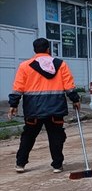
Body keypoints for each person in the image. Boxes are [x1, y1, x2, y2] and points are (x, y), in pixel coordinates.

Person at [8, 38, 81, 173]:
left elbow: (18, 87)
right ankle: (57, 165)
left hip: (33, 109)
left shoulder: (25, 66)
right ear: (48, 49)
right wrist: (75, 100)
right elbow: (69, 86)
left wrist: (14, 104)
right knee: (56, 136)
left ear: (34, 50)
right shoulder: (60, 65)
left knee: (28, 136)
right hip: (56, 108)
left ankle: (20, 164)